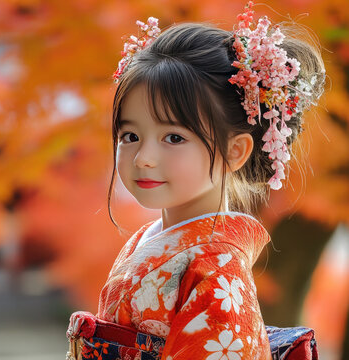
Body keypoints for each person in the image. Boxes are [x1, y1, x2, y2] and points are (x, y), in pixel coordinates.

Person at [66, 1, 325, 359]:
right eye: (130, 136)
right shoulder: (149, 241)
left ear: (235, 151)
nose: (144, 158)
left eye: (174, 138)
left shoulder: (217, 270)